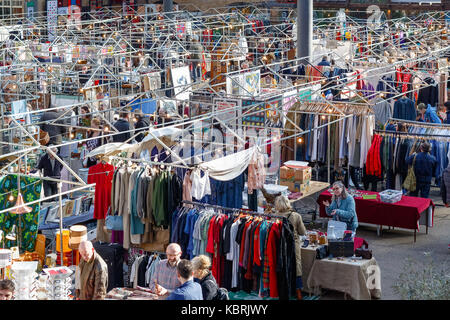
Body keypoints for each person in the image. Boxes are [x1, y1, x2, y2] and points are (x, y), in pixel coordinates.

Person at [274, 195, 307, 300]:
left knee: (283, 267)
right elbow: (302, 232)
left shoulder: (275, 216)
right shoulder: (296, 216)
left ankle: (284, 290)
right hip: (294, 244)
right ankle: (298, 293)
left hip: (280, 245)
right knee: (296, 268)